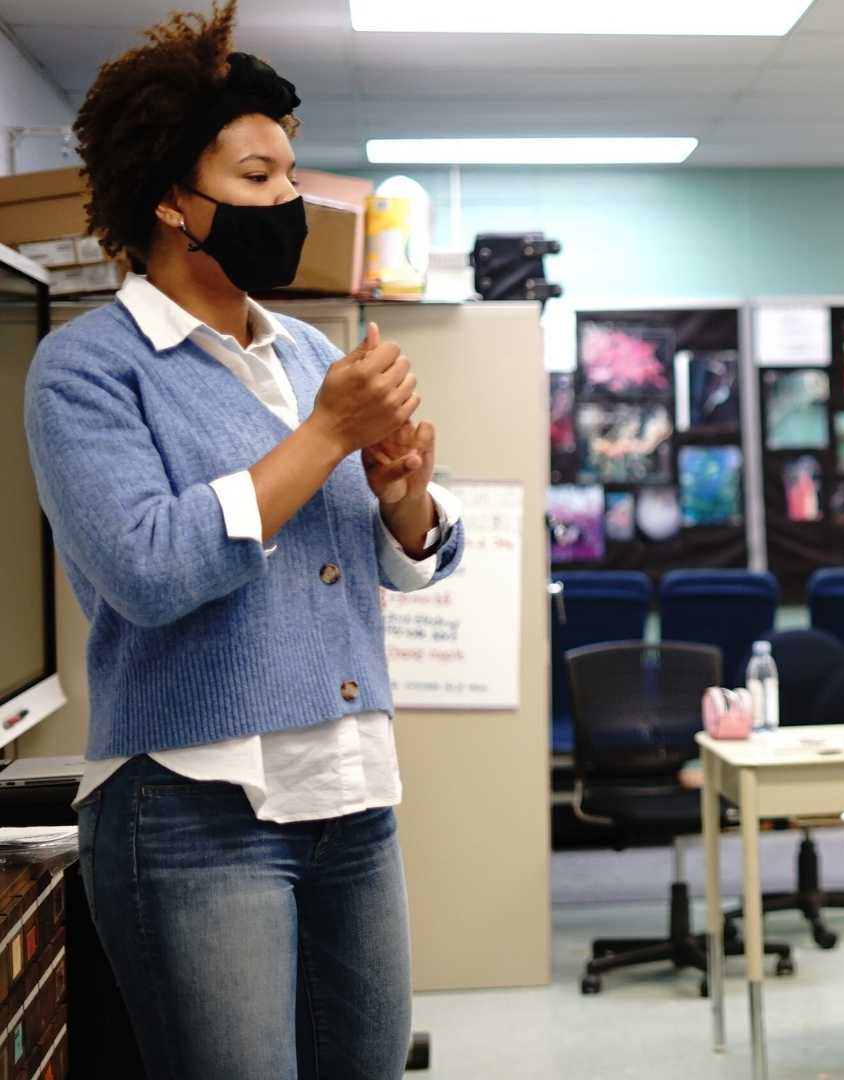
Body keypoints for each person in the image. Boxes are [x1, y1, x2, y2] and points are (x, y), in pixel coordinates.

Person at [23, 6, 463, 1076]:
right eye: (258, 178)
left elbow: (390, 556)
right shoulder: (87, 370)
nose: (290, 202)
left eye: (290, 175)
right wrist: (323, 436)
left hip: (353, 796)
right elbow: (149, 567)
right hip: (190, 809)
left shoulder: (309, 351)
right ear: (175, 201)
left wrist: (403, 497)